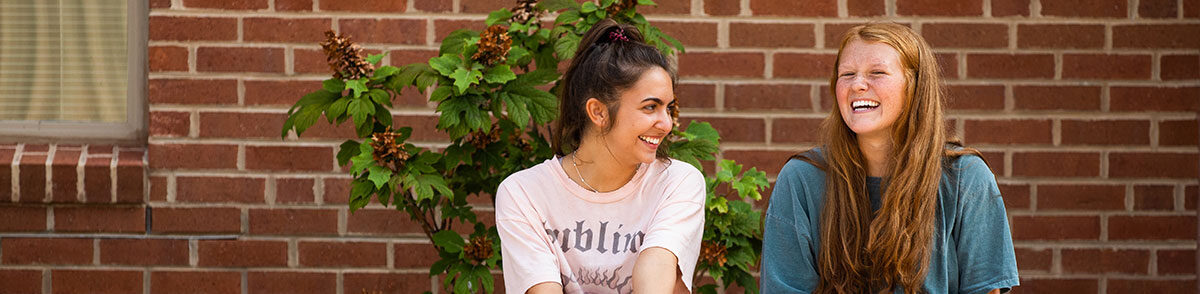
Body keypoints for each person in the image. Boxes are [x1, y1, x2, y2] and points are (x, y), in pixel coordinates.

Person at [760, 23, 1019, 294]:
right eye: (847, 74)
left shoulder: (966, 178)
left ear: (915, 86)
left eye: (877, 73)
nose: (858, 85)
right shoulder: (801, 179)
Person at [495, 19, 704, 294]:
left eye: (668, 108)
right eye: (650, 107)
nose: (666, 123)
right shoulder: (524, 194)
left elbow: (656, 279)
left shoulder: (677, 183)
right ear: (598, 112)